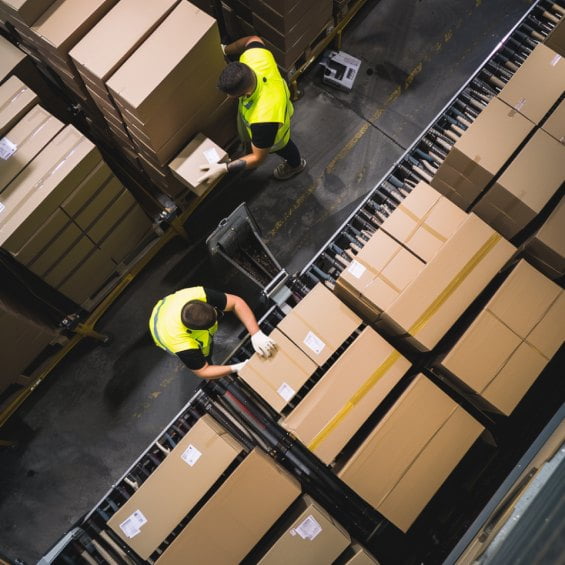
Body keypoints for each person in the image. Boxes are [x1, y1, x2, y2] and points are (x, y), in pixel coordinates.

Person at [198, 35, 306, 184]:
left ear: (245, 94)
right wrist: (225, 49)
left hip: (276, 133)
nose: (228, 97)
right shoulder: (255, 58)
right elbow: (252, 39)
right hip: (276, 98)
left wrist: (224, 168)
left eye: (230, 94)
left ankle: (296, 165)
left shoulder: (263, 121)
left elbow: (258, 158)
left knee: (284, 147)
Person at [149, 286, 276, 379]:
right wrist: (236, 368)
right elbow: (203, 371)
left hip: (169, 306)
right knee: (205, 358)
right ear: (199, 331)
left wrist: (256, 333)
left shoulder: (197, 294)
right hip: (161, 329)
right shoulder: (182, 343)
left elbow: (236, 303)